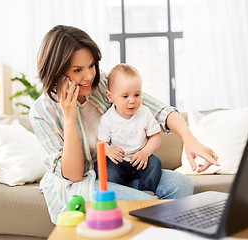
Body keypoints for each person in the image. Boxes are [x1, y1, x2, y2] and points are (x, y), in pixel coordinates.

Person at [29, 25, 219, 224]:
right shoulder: (42, 112)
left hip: (121, 170)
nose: (88, 76)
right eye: (78, 70)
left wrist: (190, 140)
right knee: (146, 204)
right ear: (57, 71)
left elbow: (159, 110)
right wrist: (69, 120)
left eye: (92, 65)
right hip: (85, 184)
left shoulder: (103, 84)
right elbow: (74, 175)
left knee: (181, 184)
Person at [97, 63, 162, 196]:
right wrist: (108, 150)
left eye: (137, 95)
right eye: (125, 96)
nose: (132, 101)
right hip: (119, 162)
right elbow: (100, 143)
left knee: (155, 162)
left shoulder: (144, 113)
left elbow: (155, 136)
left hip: (140, 159)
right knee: (107, 169)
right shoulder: (108, 118)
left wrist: (145, 152)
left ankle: (147, 192)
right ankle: (120, 192)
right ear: (110, 96)